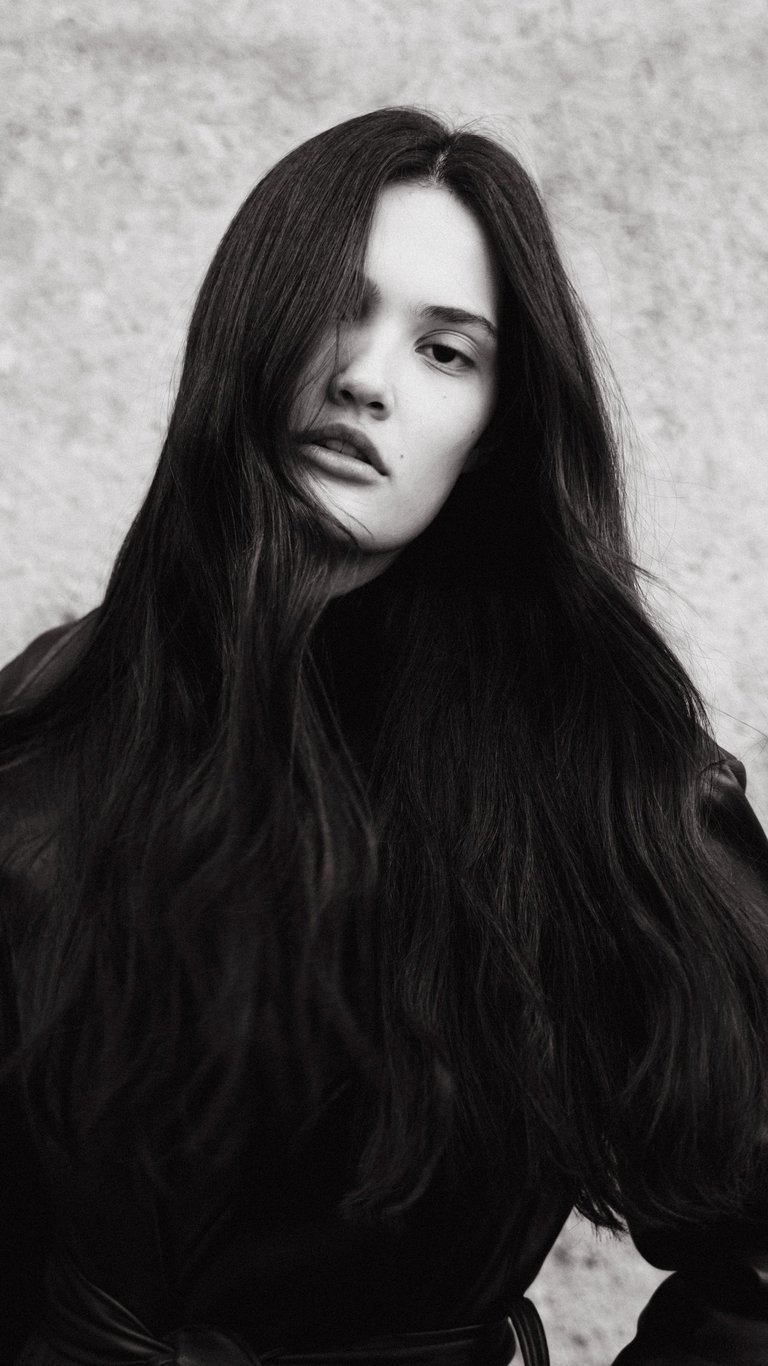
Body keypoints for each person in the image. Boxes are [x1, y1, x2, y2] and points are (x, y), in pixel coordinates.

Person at [0, 106, 767, 1366]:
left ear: (494, 430)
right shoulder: (54, 714)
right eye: (336, 310)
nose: (366, 378)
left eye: (446, 351)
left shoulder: (610, 777)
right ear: (249, 327)